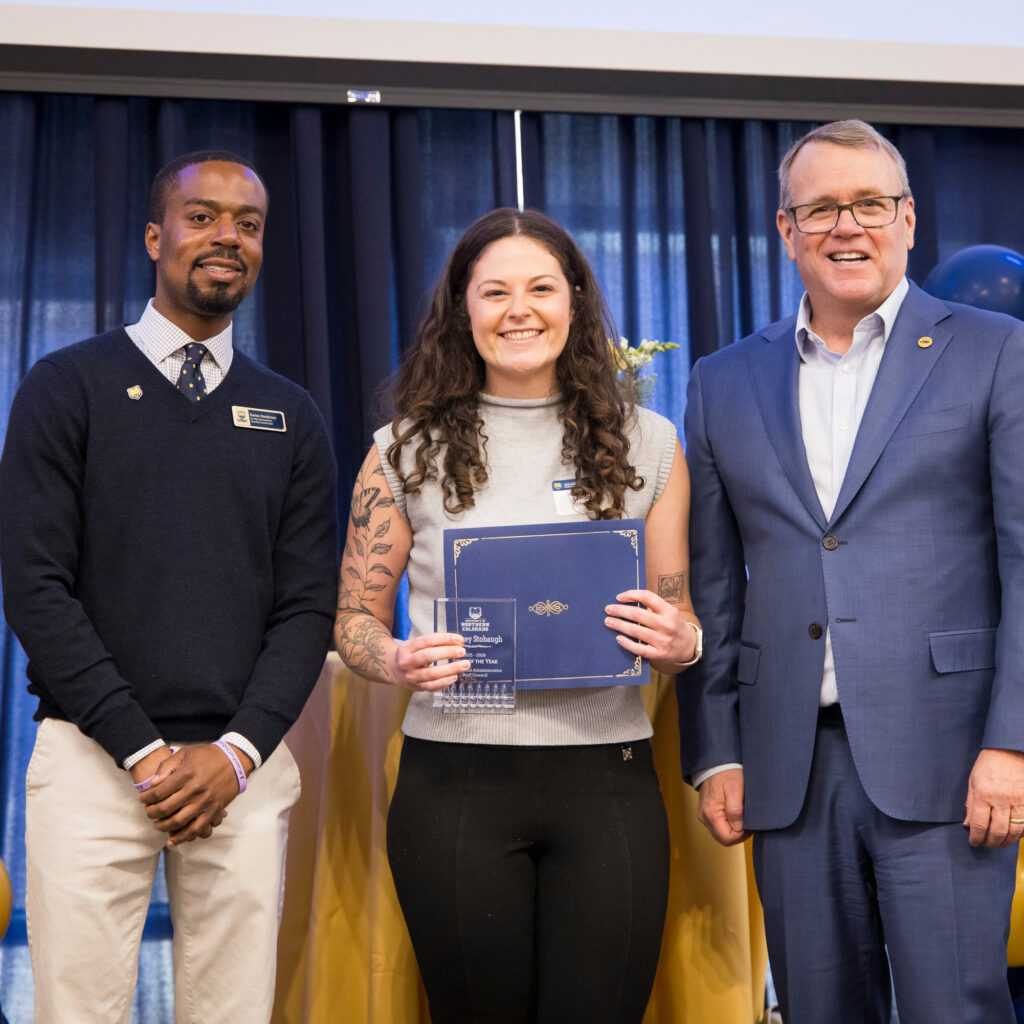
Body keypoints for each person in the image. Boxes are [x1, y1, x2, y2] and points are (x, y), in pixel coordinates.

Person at [680, 118, 1024, 1023]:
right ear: (786, 231)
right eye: (821, 207)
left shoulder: (994, 352)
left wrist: (1013, 742)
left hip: (950, 759)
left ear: (908, 219)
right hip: (788, 769)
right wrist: (716, 748)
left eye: (869, 203)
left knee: (958, 1009)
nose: (847, 226)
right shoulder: (722, 382)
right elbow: (713, 585)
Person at [335, 207, 701, 1023]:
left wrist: (682, 639)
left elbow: (680, 620)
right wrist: (394, 659)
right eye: (493, 291)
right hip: (455, 785)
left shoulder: (651, 443)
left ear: (573, 300)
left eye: (540, 287)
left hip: (608, 783)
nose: (518, 310)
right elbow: (353, 622)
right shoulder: (401, 448)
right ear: (461, 308)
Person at [0, 150, 337, 1023]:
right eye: (203, 216)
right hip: (92, 762)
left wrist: (233, 755)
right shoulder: (64, 387)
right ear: (156, 237)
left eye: (250, 224)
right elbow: (35, 587)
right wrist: (145, 754)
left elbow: (308, 607)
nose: (228, 237)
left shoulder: (291, 415)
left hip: (242, 771)